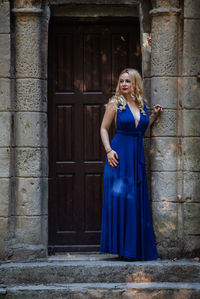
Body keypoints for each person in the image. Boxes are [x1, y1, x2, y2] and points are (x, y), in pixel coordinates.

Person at [99, 68, 163, 261]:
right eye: (121, 81)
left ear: (135, 83)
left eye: (127, 81)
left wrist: (153, 116)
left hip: (136, 157)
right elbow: (103, 128)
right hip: (118, 156)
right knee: (120, 200)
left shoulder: (142, 105)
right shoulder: (114, 104)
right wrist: (109, 150)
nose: (124, 84)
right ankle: (122, 248)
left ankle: (134, 249)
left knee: (135, 200)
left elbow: (140, 130)